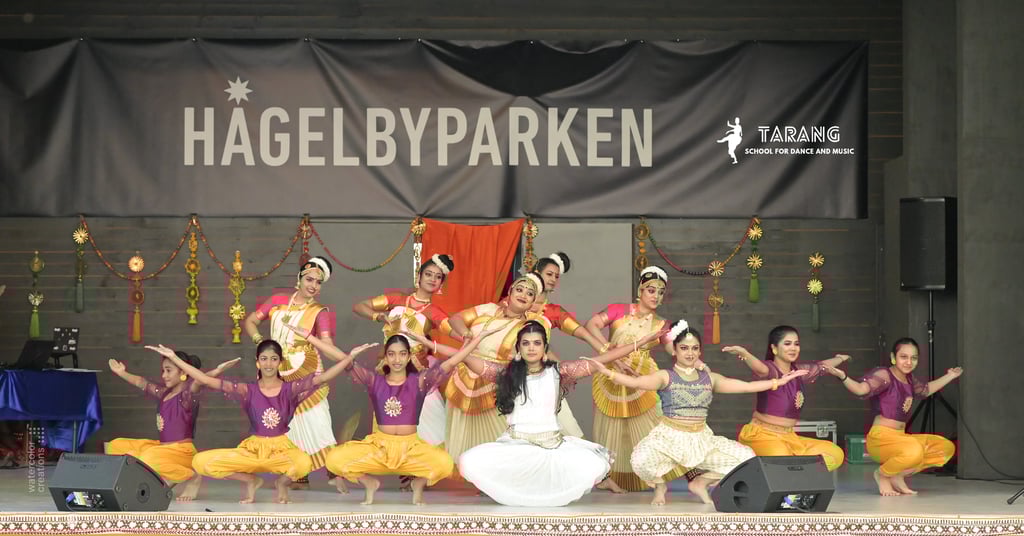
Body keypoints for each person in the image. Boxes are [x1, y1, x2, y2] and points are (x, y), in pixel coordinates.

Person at [588, 320, 809, 505]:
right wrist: (607, 372)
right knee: (641, 461)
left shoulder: (709, 379)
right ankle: (660, 487)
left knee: (745, 459)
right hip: (669, 437)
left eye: (694, 348)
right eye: (684, 348)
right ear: (675, 350)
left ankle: (700, 482)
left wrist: (778, 382)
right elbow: (637, 382)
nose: (690, 353)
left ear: (700, 351)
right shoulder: (665, 376)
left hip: (701, 438)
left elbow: (746, 386)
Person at [454, 320, 668, 506]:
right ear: (518, 348)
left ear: (545, 348)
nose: (531, 348)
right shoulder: (504, 374)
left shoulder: (559, 372)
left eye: (537, 343)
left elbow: (605, 359)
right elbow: (462, 357)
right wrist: (467, 340)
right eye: (526, 343)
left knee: (593, 465)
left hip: (552, 447)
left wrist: (640, 342)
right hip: (516, 447)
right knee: (468, 461)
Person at [150, 339, 376, 504]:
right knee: (201, 462)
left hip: (281, 451)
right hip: (252, 451)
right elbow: (206, 380)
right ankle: (250, 480)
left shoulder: (290, 389)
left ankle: (282, 483)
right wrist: (174, 358)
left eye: (274, 359)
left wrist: (349, 357)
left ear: (280, 362)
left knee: (304, 463)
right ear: (258, 362)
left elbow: (324, 377)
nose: (269, 363)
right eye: (264, 359)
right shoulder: (247, 390)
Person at [298, 324, 498, 505]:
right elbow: (343, 361)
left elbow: (455, 360)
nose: (397, 359)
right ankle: (369, 483)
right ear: (385, 357)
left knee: (446, 464)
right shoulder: (375, 381)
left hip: (411, 449)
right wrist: (310, 337)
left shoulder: (420, 382)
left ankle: (418, 483)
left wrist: (479, 338)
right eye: (392, 354)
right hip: (378, 449)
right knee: (334, 459)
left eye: (402, 354)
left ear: (409, 357)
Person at [243, 256, 341, 490]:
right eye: (309, 279)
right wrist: (261, 343)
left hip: (307, 370)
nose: (313, 286)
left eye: (318, 282)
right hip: (276, 371)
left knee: (318, 421)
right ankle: (298, 472)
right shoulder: (277, 301)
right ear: (299, 278)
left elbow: (326, 343)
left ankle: (334, 470)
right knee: (289, 422)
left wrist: (346, 358)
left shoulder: (318, 311)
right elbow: (250, 321)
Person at [823, 337, 961, 495]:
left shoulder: (909, 379)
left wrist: (950, 376)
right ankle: (882, 474)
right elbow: (861, 389)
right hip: (881, 439)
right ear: (893, 357)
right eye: (903, 357)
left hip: (900, 437)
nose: (908, 362)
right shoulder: (885, 374)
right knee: (914, 450)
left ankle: (897, 474)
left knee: (944, 447)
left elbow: (925, 390)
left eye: (913, 358)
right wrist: (843, 377)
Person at [437, 272, 551, 465]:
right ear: (510, 292)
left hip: (498, 383)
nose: (523, 295)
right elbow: (455, 319)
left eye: (530, 294)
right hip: (463, 379)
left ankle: (499, 473)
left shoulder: (532, 325)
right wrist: (466, 334)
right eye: (519, 290)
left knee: (500, 442)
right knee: (464, 439)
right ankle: (471, 472)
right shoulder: (488, 309)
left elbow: (534, 354)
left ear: (533, 302)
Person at [583, 266, 672, 492]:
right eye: (651, 290)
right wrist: (607, 350)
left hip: (642, 376)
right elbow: (591, 325)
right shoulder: (618, 310)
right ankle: (608, 477)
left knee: (651, 424)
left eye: (660, 292)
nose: (656, 296)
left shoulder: (662, 324)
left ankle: (650, 474)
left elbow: (674, 349)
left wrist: (689, 348)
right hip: (611, 374)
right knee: (610, 425)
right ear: (640, 290)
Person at [105, 351, 239, 501]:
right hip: (162, 448)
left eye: (168, 370)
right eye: (163, 370)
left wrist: (217, 370)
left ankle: (192, 476)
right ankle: (170, 476)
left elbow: (200, 381)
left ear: (183, 372)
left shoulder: (187, 396)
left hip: (182, 452)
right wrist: (122, 373)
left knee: (148, 460)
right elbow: (141, 382)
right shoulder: (163, 393)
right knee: (115, 446)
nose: (164, 375)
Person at [725, 325, 850, 471]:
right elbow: (759, 368)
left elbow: (821, 367)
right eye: (787, 343)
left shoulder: (799, 372)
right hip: (762, 435)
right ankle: (789, 469)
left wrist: (840, 358)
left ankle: (791, 471)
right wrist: (745, 353)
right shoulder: (770, 370)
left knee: (835, 454)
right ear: (774, 348)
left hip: (789, 437)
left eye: (796, 344)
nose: (793, 348)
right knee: (782, 458)